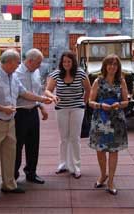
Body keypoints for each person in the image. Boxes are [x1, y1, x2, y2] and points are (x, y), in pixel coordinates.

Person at [0, 49, 52, 202]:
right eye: (17, 62)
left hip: (10, 121)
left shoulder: (12, 77)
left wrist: (41, 100)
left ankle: (9, 184)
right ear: (9, 62)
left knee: (10, 154)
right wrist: (3, 108)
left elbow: (24, 93)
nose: (19, 64)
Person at [45, 51, 91, 179]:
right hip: (61, 108)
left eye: (69, 61)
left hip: (77, 108)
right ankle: (63, 163)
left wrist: (84, 103)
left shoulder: (81, 73)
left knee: (75, 137)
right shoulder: (56, 74)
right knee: (63, 137)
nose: (66, 64)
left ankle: (76, 166)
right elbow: (47, 90)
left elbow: (88, 89)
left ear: (73, 62)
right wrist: (52, 96)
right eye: (64, 61)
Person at [88, 54, 129, 195]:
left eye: (115, 64)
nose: (112, 67)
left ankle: (110, 181)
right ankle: (102, 175)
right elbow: (90, 101)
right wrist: (100, 105)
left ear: (118, 67)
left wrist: (120, 104)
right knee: (100, 150)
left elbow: (126, 101)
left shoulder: (121, 81)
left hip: (116, 120)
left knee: (113, 150)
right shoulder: (98, 81)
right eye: (109, 64)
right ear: (105, 66)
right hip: (101, 119)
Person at [13, 48, 48, 184]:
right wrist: (42, 99)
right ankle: (13, 176)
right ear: (29, 61)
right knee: (17, 146)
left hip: (33, 111)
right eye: (38, 62)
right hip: (19, 112)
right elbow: (24, 93)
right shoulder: (16, 73)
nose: (40, 65)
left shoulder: (36, 72)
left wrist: (41, 107)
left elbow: (37, 90)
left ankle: (31, 172)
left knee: (33, 144)